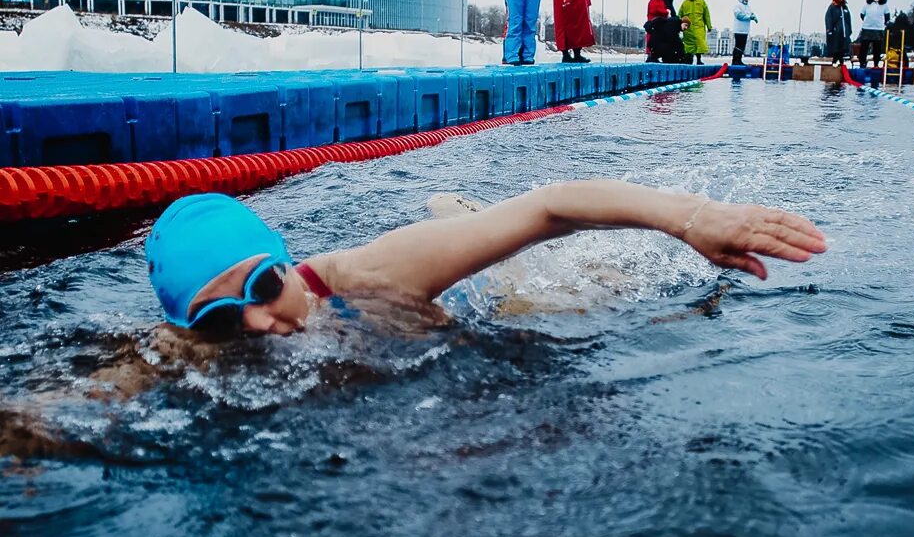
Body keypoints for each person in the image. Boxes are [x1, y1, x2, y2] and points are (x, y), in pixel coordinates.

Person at [145, 184, 827, 338]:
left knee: (590, 295)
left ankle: (460, 220)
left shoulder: (376, 274)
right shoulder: (194, 355)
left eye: (264, 285)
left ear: (289, 266)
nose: (260, 322)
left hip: (485, 304)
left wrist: (694, 220)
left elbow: (551, 210)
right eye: (221, 317)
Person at [679, 0, 713, 65]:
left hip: (699, 28)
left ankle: (699, 60)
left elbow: (706, 15)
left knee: (699, 44)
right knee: (689, 45)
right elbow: (680, 15)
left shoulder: (701, 2)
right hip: (688, 29)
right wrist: (679, 26)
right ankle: (688, 61)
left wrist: (709, 26)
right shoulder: (685, 3)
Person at [858, 0, 890, 68]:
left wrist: (883, 23)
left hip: (878, 29)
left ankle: (876, 64)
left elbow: (887, 16)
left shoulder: (884, 5)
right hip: (867, 28)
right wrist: (867, 21)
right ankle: (862, 63)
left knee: (877, 48)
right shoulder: (867, 4)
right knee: (864, 48)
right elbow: (862, 14)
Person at [824, 0, 853, 66]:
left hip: (844, 32)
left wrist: (849, 30)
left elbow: (848, 19)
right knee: (836, 48)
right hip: (836, 32)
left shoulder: (845, 7)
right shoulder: (832, 7)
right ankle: (835, 62)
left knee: (842, 48)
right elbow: (828, 18)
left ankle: (840, 63)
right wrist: (829, 29)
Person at [731, 0, 759, 66]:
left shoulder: (748, 7)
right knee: (738, 45)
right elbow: (739, 15)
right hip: (738, 30)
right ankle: (735, 61)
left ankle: (739, 60)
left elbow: (751, 13)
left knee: (742, 46)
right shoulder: (738, 6)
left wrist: (754, 16)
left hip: (745, 30)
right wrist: (749, 17)